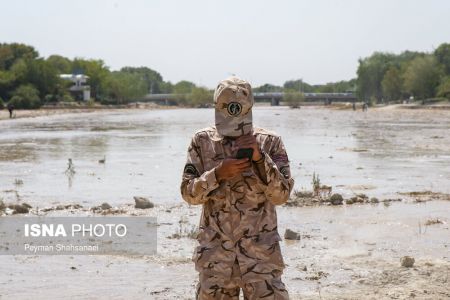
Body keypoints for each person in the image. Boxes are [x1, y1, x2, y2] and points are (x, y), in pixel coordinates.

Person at [180, 76, 294, 299]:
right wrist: (217, 174)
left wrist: (260, 159)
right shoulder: (201, 141)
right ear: (216, 107)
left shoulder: (270, 142)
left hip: (261, 260)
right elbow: (188, 193)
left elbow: (282, 196)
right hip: (216, 261)